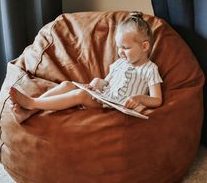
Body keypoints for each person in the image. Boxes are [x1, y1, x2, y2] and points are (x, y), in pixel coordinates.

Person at [9, 11, 162, 120]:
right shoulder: (119, 63)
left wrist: (139, 98)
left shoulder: (150, 69)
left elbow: (157, 100)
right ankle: (31, 111)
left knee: (80, 95)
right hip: (103, 97)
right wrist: (96, 82)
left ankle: (32, 103)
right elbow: (106, 82)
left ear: (144, 47)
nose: (121, 52)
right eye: (118, 47)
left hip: (113, 106)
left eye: (126, 48)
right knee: (67, 84)